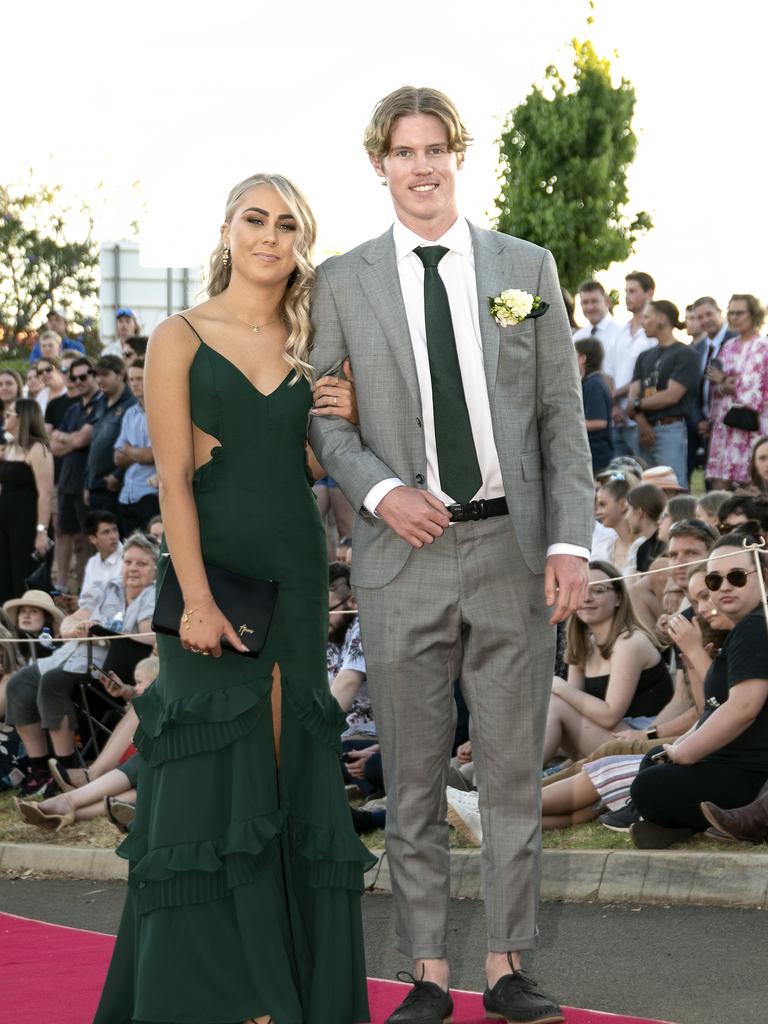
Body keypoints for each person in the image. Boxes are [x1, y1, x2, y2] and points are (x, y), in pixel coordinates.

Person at [309, 86, 594, 1024]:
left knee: (512, 770)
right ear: (380, 163)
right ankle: (427, 970)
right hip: (402, 553)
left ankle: (509, 965)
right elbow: (325, 414)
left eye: (436, 148)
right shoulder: (343, 281)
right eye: (403, 151)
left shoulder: (528, 266)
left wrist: (566, 542)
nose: (421, 166)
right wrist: (384, 492)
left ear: (457, 156)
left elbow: (561, 416)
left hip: (513, 547)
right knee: (415, 771)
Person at [93, 173, 373, 1024]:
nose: (270, 236)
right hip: (211, 574)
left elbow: (317, 467)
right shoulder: (178, 337)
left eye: (288, 225)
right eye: (256, 219)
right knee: (209, 773)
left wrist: (345, 410)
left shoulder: (311, 337)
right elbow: (172, 479)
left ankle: (283, 985)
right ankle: (217, 991)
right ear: (227, 229)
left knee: (286, 766)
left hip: (294, 563)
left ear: (300, 242)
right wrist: (198, 599)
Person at [630, 528, 768, 848]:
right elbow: (711, 705)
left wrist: (685, 752)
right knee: (653, 761)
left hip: (751, 773)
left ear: (762, 576)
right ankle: (681, 825)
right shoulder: (744, 627)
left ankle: (683, 821)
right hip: (732, 763)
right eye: (714, 581)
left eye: (737, 576)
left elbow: (744, 707)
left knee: (648, 786)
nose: (724, 587)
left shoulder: (753, 626)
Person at [4, 532, 157, 797]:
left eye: (141, 564)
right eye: (128, 562)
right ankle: (39, 770)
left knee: (53, 682)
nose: (132, 568)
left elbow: (148, 636)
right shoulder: (108, 588)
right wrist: (76, 628)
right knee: (18, 684)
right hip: (71, 655)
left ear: (155, 569)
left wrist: (101, 630)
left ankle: (68, 768)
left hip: (107, 665)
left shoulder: (153, 595)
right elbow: (67, 622)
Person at [543, 561, 672, 765]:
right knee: (556, 702)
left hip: (641, 743)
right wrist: (560, 690)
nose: (586, 598)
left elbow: (610, 716)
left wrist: (558, 686)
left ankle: (514, 779)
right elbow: (574, 704)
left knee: (555, 702)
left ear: (618, 598)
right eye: (580, 589)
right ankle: (489, 776)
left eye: (599, 590)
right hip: (609, 738)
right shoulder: (583, 642)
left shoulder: (630, 642)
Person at [628, 300, 700, 490]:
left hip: (670, 430)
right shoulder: (645, 356)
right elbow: (632, 396)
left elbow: (671, 396)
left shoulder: (686, 353)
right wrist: (642, 423)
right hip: (643, 431)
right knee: (646, 491)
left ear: (662, 318)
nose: (643, 322)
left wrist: (637, 404)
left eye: (647, 317)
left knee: (673, 487)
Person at [51, 356, 105, 592]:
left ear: (95, 376)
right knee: (65, 534)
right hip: (66, 481)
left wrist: (69, 439)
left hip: (87, 483)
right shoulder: (73, 408)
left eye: (84, 376)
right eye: (74, 378)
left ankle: (84, 591)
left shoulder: (102, 404)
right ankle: (62, 588)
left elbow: (84, 439)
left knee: (85, 540)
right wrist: (72, 440)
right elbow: (53, 444)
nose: (79, 381)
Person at [705, 294, 768, 489]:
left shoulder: (763, 347)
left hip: (752, 425)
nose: (734, 318)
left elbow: (753, 390)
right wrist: (726, 384)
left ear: (754, 314)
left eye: (739, 313)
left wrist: (724, 380)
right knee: (720, 484)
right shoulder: (728, 347)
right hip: (724, 424)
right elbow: (713, 385)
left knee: (753, 482)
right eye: (731, 313)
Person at [0, 399, 54, 604]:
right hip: (5, 521)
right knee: (4, 574)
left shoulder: (38, 448)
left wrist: (42, 531)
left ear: (22, 418)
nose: (6, 417)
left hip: (27, 522)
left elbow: (45, 493)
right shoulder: (11, 448)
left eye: (10, 414)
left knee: (24, 577)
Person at [604, 271, 656, 457]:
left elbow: (648, 376)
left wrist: (614, 395)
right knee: (621, 478)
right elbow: (609, 371)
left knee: (646, 476)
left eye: (632, 291)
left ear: (649, 293)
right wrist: (615, 403)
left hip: (643, 418)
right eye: (625, 291)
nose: (627, 296)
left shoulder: (654, 334)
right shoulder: (621, 331)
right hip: (617, 417)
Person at [112, 358, 161, 534]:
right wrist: (138, 454)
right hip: (127, 496)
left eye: (139, 379)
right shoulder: (130, 413)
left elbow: (152, 456)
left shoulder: (161, 409)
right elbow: (117, 457)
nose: (134, 384)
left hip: (150, 494)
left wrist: (128, 450)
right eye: (131, 380)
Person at [86, 355, 136, 522]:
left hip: (116, 488)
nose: (100, 379)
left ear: (121, 374)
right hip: (96, 486)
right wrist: (87, 483)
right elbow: (94, 444)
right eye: (97, 375)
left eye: (105, 374)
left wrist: (117, 475)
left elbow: (135, 444)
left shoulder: (132, 403)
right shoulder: (100, 402)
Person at [574, 337, 614, 474]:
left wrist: (569, 424)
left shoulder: (594, 384)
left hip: (597, 456)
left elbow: (599, 422)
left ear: (582, 358)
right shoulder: (589, 382)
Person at [591, 472, 638, 570]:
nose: (597, 511)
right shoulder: (605, 546)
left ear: (622, 505)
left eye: (603, 505)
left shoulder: (643, 545)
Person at [624, 483, 666, 574]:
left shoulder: (665, 546)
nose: (626, 517)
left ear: (640, 513)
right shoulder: (642, 548)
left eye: (628, 510)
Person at [572, 280, 622, 354]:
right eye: (585, 302)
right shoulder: (577, 338)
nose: (590, 307)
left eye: (594, 301)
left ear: (607, 302)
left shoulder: (620, 334)